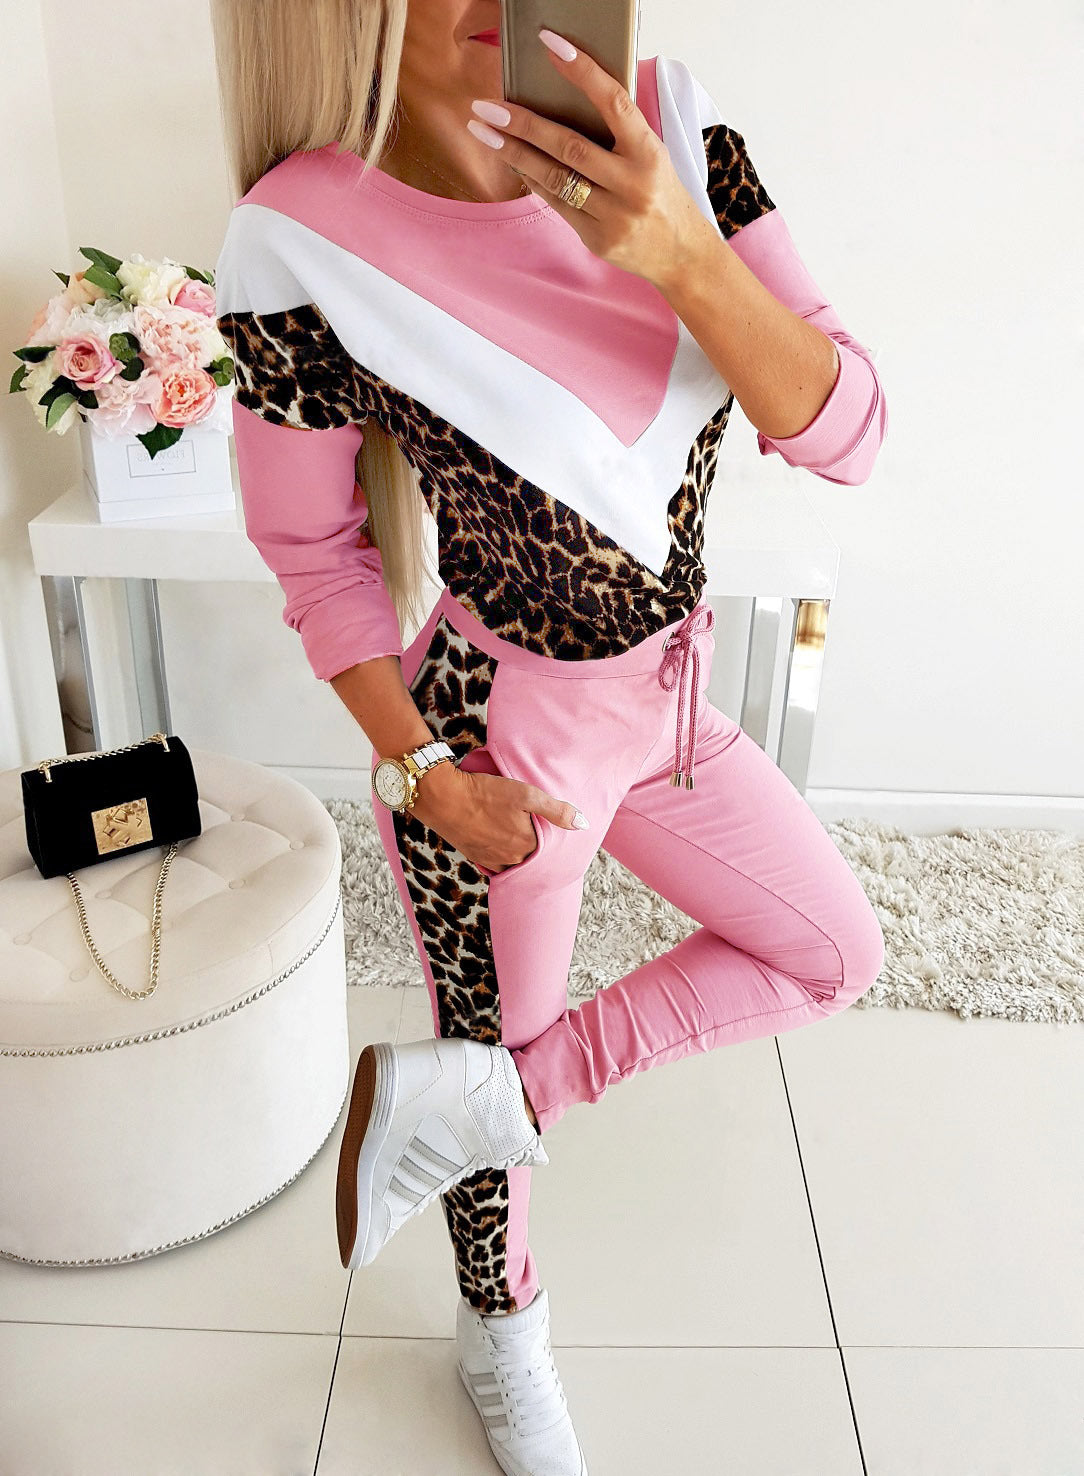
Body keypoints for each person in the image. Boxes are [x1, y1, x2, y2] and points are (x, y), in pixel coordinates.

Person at [211, 3, 889, 1471]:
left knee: (832, 952)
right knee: (488, 1032)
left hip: (674, 709)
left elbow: (849, 435)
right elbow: (313, 553)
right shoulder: (296, 234)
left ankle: (497, 1097)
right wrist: (421, 775)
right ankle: (501, 1337)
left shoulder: (675, 131)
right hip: (492, 739)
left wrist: (682, 251)